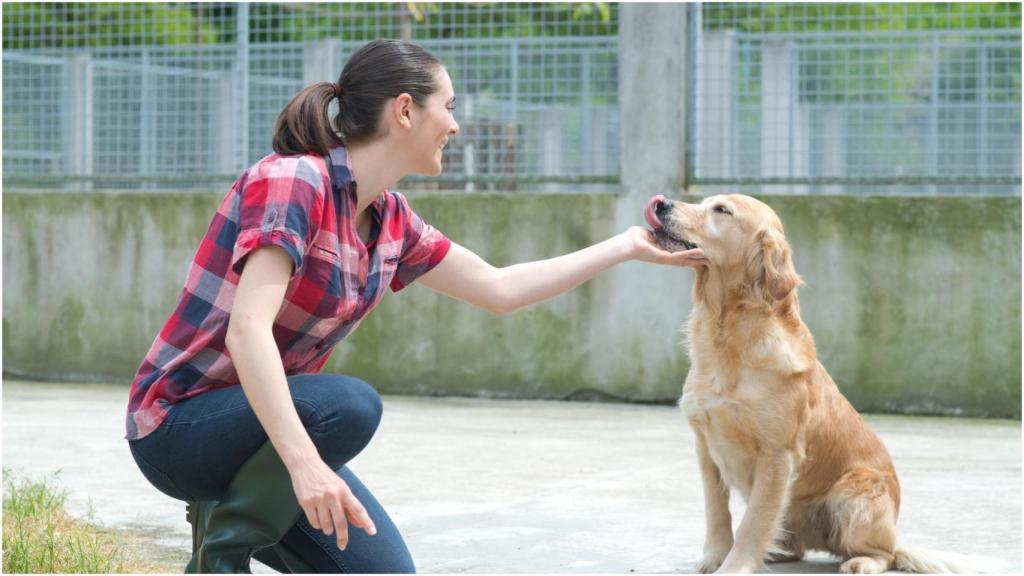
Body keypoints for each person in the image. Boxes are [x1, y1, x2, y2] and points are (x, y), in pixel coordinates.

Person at [125, 39, 707, 574]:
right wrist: (306, 468)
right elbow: (246, 331)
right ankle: (219, 558)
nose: (455, 124)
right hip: (179, 427)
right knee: (348, 405)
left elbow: (499, 288)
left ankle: (227, 509)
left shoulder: (392, 221)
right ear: (405, 111)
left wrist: (627, 247)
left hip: (266, 435)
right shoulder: (294, 181)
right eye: (448, 106)